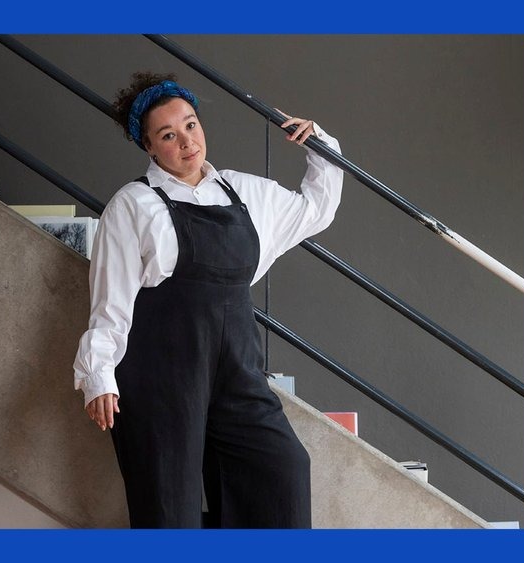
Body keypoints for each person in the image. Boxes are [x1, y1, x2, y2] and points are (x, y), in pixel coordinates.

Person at [73, 71, 344, 528]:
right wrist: (98, 374)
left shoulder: (247, 194)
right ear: (149, 147)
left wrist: (319, 145)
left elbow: (315, 209)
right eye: (168, 134)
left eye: (191, 124)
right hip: (162, 374)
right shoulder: (134, 204)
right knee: (169, 506)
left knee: (283, 471)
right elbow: (110, 299)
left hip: (237, 369)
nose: (186, 141)